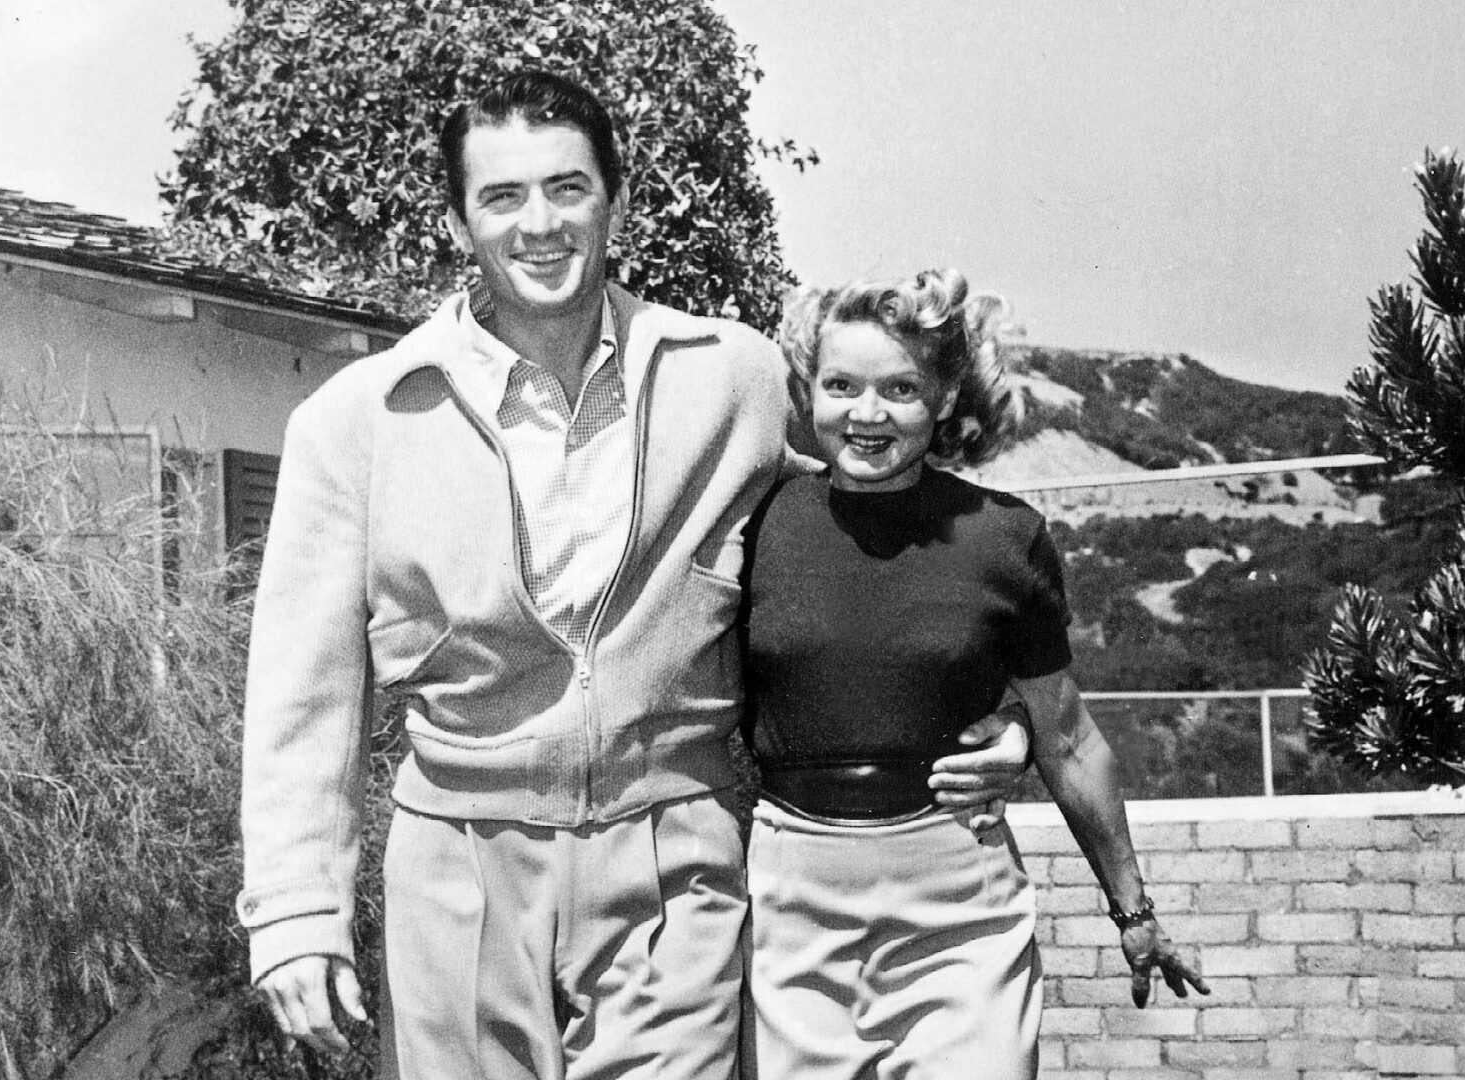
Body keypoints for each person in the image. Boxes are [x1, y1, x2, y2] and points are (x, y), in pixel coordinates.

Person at [236, 72, 1028, 1080]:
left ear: (616, 198)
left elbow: (879, 538)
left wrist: (1000, 715)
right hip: (458, 863)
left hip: (675, 859)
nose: (540, 225)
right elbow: (301, 690)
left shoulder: (733, 377)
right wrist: (296, 912)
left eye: (567, 188)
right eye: (502, 196)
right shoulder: (360, 420)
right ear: (457, 221)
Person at [740, 269, 1209, 1080]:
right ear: (807, 390)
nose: (867, 414)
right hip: (790, 910)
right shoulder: (756, 526)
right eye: (841, 386)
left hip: (958, 904)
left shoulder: (1003, 537)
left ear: (945, 397)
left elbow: (1069, 740)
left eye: (900, 389)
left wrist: (1133, 911)